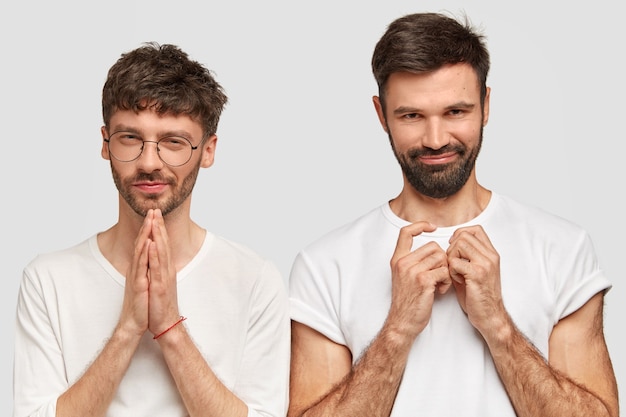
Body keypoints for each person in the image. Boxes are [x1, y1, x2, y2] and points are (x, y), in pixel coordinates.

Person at [287, 12, 618, 417]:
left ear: (486, 105)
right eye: (412, 116)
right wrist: (397, 330)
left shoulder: (563, 248)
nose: (436, 139)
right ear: (381, 115)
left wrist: (497, 323)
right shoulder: (325, 265)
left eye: (456, 112)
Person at [13, 42, 290, 417]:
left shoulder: (255, 279)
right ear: (105, 144)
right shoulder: (47, 279)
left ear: (207, 151)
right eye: (130, 138)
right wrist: (128, 327)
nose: (148, 162)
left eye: (173, 142)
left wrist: (170, 328)